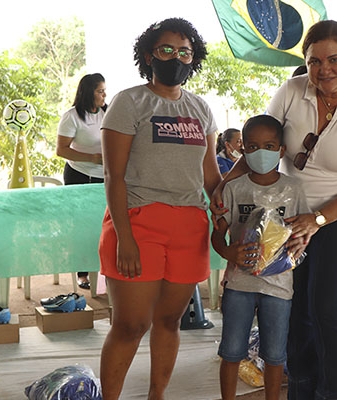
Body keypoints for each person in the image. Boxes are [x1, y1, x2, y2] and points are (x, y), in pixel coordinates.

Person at [212, 20, 337, 399]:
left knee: (326, 307)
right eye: (315, 61)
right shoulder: (292, 91)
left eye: (334, 59)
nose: (324, 69)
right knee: (292, 304)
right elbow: (260, 143)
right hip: (284, 214)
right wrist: (225, 185)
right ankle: (302, 390)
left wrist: (318, 220)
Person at [97, 18, 221, 399]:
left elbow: (211, 176)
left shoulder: (201, 108)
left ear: (193, 59)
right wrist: (125, 238)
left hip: (190, 227)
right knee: (131, 325)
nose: (175, 58)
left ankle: (157, 395)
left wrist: (233, 211)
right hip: (138, 222)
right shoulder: (129, 102)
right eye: (166, 50)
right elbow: (113, 176)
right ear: (149, 55)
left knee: (169, 321)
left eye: (184, 52)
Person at [212, 115, 310, 400]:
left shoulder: (293, 189)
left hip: (279, 287)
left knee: (275, 355)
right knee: (231, 352)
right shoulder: (234, 188)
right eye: (253, 147)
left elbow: (302, 232)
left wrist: (298, 244)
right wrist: (228, 251)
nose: (261, 153)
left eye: (269, 146)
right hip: (239, 286)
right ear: (243, 150)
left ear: (281, 151)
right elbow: (217, 234)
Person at [56, 72, 107, 290]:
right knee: (81, 225)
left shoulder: (107, 112)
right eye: (100, 91)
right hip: (79, 174)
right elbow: (61, 150)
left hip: (103, 176)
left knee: (103, 223)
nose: (104, 95)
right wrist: (92, 158)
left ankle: (104, 270)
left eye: (104, 90)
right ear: (88, 93)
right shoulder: (72, 116)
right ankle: (82, 272)